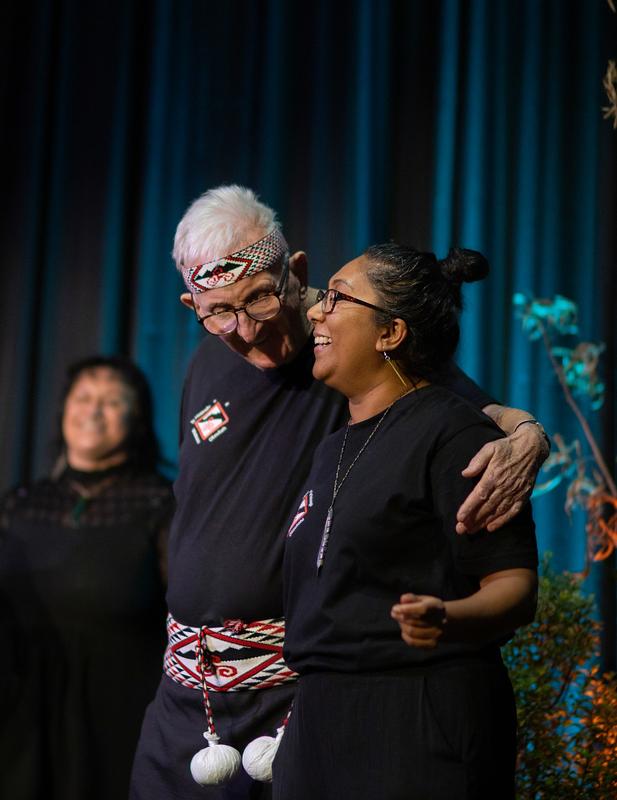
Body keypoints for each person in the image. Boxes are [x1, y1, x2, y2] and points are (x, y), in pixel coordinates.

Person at [130, 185, 548, 800]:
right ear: (193, 303)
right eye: (217, 312)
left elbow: (477, 414)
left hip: (294, 694)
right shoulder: (206, 365)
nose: (243, 330)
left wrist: (529, 435)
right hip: (187, 696)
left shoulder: (354, 361)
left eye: (261, 299)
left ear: (295, 272)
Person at [273, 244, 538, 799]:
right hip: (319, 724)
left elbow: (514, 587)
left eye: (337, 298)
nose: (316, 310)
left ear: (389, 333)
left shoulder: (457, 436)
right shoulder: (330, 452)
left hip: (417, 713)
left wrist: (449, 615)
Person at [0, 355, 173, 800]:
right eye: (84, 398)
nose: (94, 411)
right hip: (22, 716)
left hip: (119, 715)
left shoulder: (160, 504)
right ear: (63, 410)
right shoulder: (20, 502)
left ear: (136, 419)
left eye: (113, 401)